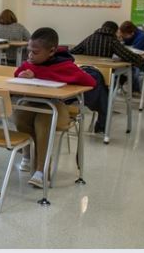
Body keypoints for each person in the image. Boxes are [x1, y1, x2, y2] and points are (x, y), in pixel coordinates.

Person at [13, 28, 96, 187]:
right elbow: (17, 74)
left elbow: (91, 82)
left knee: (44, 120)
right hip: (34, 103)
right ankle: (28, 155)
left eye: (35, 52)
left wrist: (39, 76)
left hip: (59, 108)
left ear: (51, 51)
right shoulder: (30, 63)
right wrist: (22, 76)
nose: (30, 55)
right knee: (19, 116)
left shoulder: (66, 66)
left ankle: (41, 171)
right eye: (28, 51)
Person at [69, 21, 144, 67]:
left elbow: (73, 51)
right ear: (115, 31)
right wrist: (141, 60)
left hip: (87, 70)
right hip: (106, 71)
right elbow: (127, 55)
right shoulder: (112, 41)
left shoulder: (89, 38)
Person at [119, 21, 144, 93]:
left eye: (124, 35)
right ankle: (121, 86)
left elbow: (133, 54)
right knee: (126, 64)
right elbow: (128, 44)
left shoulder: (142, 37)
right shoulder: (133, 35)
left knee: (133, 66)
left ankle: (135, 90)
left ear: (132, 33)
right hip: (141, 57)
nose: (123, 37)